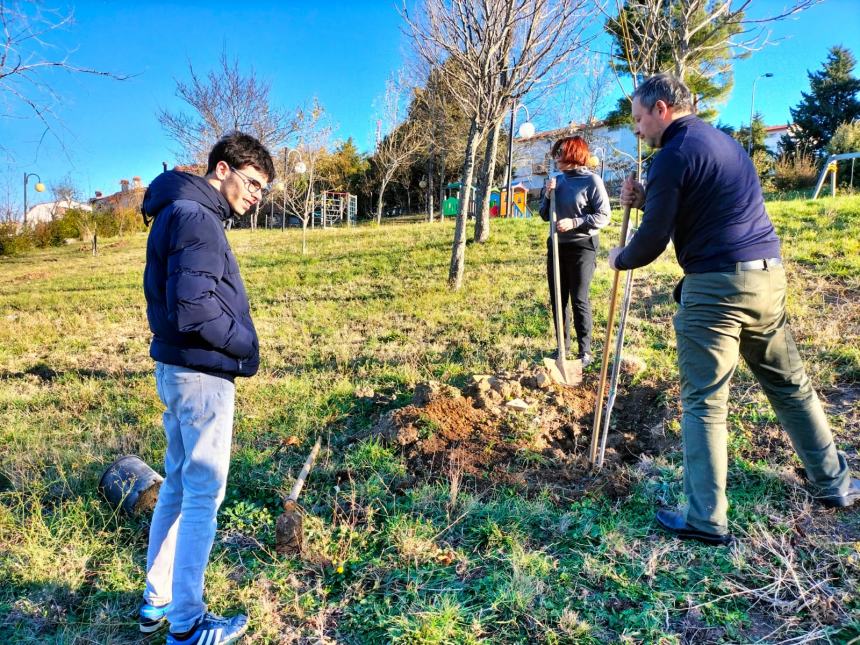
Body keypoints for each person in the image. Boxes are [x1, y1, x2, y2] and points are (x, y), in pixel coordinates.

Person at [609, 73, 859, 546]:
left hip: (716, 287)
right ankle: (835, 483)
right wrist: (647, 200)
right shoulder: (723, 143)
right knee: (790, 384)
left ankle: (705, 519)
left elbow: (650, 243)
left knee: (705, 400)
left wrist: (617, 258)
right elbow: (703, 207)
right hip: (767, 277)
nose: (638, 130)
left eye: (640, 119)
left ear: (662, 108)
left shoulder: (672, 155)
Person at [140, 132, 275, 644]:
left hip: (177, 369)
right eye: (253, 182)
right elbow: (195, 309)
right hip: (200, 376)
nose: (257, 195)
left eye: (263, 189)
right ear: (222, 169)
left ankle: (157, 602)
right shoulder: (197, 218)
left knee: (175, 485)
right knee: (202, 494)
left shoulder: (178, 209)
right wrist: (244, 347)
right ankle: (188, 624)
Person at [539, 135, 611, 367]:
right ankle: (562, 347)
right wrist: (549, 195)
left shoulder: (592, 181)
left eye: (561, 153)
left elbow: (604, 215)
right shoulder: (555, 181)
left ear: (573, 154)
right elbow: (543, 215)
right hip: (557, 245)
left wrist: (575, 222)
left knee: (579, 297)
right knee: (558, 298)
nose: (556, 158)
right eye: (556, 153)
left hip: (582, 246)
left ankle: (585, 351)